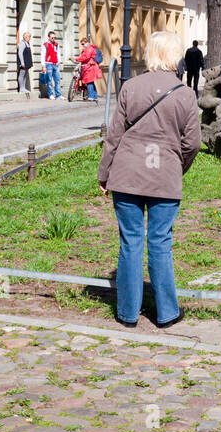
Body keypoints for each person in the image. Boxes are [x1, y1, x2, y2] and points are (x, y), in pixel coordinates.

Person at [98, 30, 200, 328]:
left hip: (128, 173)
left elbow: (114, 135)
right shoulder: (185, 94)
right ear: (175, 56)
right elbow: (192, 142)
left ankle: (127, 313)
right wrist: (175, 165)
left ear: (150, 53)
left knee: (130, 241)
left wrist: (104, 174)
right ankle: (167, 312)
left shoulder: (131, 87)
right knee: (160, 241)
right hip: (164, 174)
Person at [76, 38, 101, 102]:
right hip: (89, 67)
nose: (82, 45)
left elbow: (86, 57)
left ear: (86, 42)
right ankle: (95, 96)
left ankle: (91, 97)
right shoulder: (87, 49)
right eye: (81, 44)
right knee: (91, 82)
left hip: (90, 67)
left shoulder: (89, 49)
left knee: (89, 82)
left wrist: (77, 59)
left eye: (83, 44)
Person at [43, 28, 61, 99]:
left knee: (57, 80)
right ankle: (50, 94)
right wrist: (43, 66)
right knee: (49, 80)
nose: (53, 39)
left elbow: (58, 53)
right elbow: (43, 55)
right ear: (49, 37)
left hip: (55, 64)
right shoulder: (45, 45)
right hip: (48, 64)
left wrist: (59, 61)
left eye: (54, 37)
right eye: (52, 37)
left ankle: (58, 95)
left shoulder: (56, 44)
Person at [17, 32, 34, 99]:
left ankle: (23, 87)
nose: (29, 38)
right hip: (23, 63)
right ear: (25, 37)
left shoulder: (27, 43)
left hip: (27, 62)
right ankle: (21, 88)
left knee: (25, 75)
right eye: (28, 37)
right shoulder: (22, 43)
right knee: (21, 74)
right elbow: (20, 53)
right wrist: (22, 63)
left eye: (29, 37)